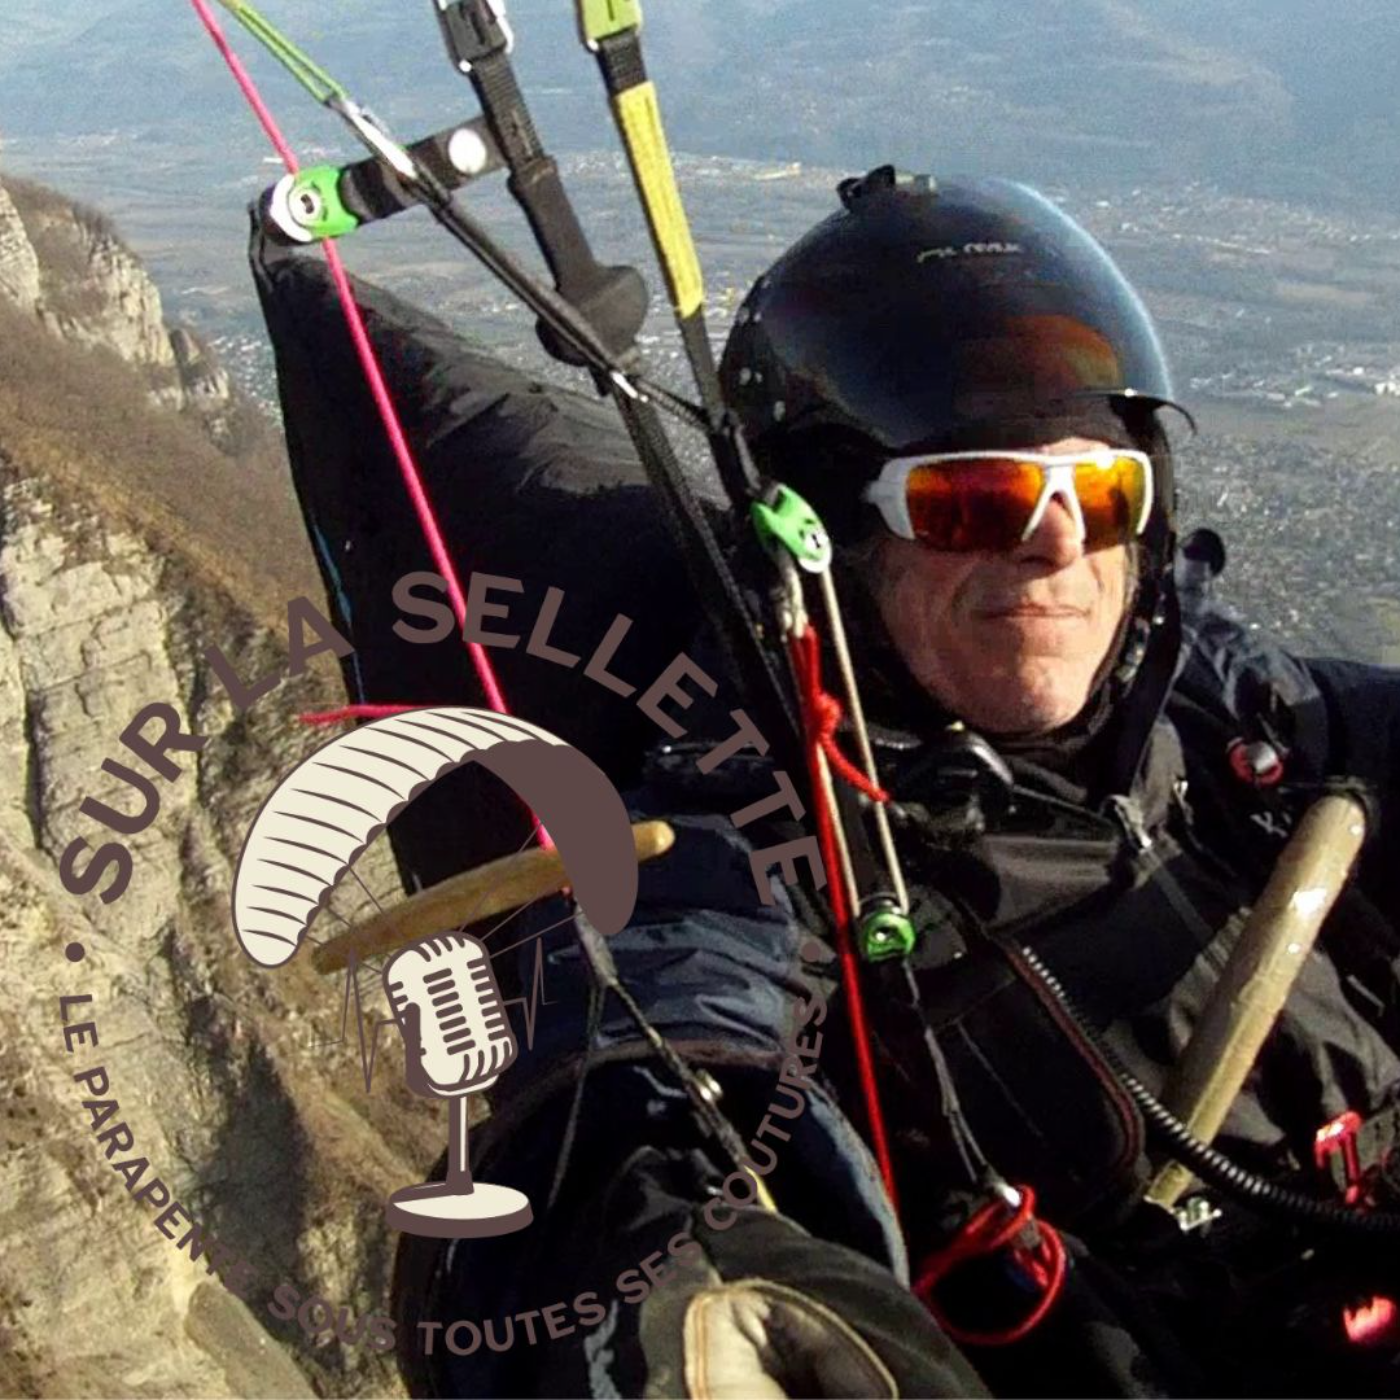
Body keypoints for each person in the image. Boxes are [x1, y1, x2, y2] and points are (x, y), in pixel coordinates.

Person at [390, 167, 1400, 1398]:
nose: (1057, 542)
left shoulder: (1215, 706)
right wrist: (679, 1261)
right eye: (970, 500)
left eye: (1100, 492)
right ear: (837, 539)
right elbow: (650, 1041)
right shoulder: (760, 822)